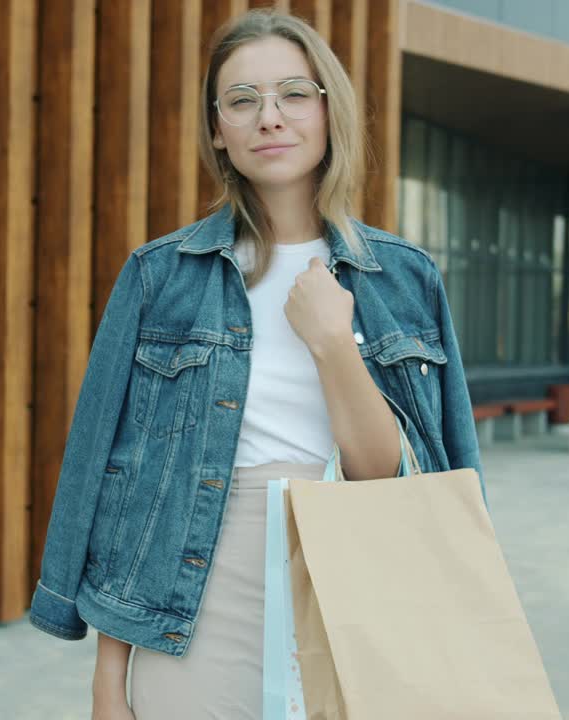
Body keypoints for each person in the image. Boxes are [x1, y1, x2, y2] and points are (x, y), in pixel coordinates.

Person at [28, 9, 482, 719]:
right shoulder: (160, 276)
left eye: (294, 94)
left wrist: (334, 344)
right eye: (242, 100)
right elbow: (116, 478)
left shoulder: (404, 278)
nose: (270, 117)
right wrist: (107, 680)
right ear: (218, 129)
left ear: (330, 111)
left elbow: (396, 480)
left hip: (358, 581)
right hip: (197, 592)